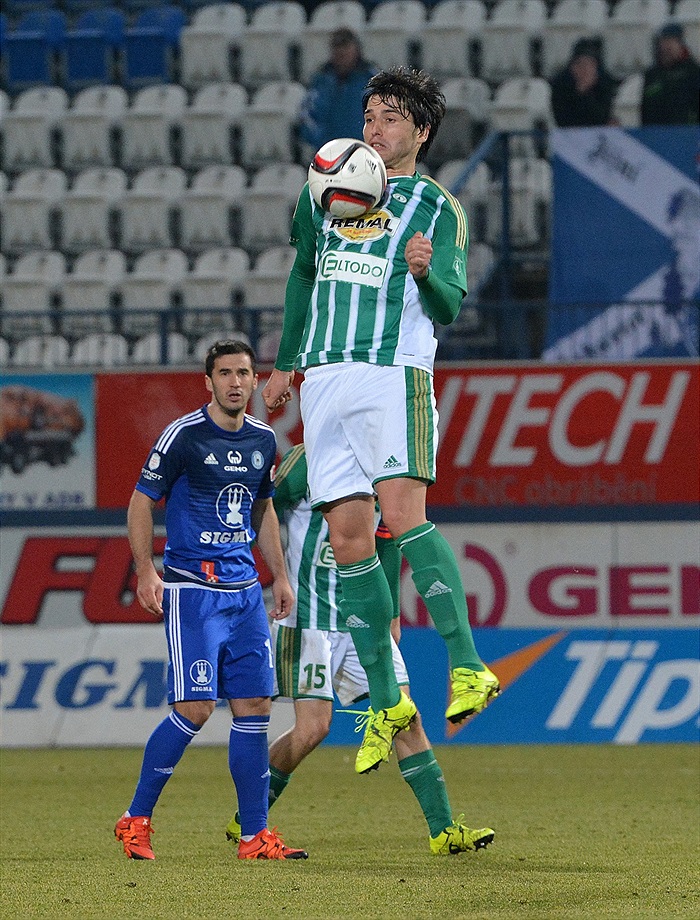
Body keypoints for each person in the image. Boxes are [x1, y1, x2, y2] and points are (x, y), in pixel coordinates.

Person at [262, 67, 500, 776]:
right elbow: (304, 273)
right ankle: (386, 700)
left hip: (393, 373)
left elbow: (453, 306)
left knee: (402, 513)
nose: (376, 126)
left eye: (393, 116)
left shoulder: (437, 209)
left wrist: (428, 273)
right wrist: (285, 364)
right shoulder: (323, 191)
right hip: (326, 381)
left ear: (421, 131)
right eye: (370, 114)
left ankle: (466, 665)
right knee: (348, 536)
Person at [224, 443, 495, 855]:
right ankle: (250, 820)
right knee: (313, 728)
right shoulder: (311, 457)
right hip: (310, 620)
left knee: (406, 716)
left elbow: (385, 540)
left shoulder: (387, 464)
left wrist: (391, 615)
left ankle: (442, 831)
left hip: (364, 622)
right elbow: (263, 507)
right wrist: (276, 574)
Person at [115, 340, 307, 861]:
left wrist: (280, 577)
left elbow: (263, 510)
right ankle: (135, 819)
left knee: (255, 706)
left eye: (244, 372)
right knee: (196, 707)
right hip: (193, 592)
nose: (235, 382)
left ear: (253, 378)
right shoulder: (183, 436)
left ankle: (254, 836)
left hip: (245, 592)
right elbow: (140, 502)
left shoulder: (265, 440)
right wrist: (145, 570)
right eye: (224, 373)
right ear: (209, 381)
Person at [298, 27, 377, 159]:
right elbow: (306, 117)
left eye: (345, 46)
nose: (341, 52)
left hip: (365, 156)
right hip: (329, 157)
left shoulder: (372, 80)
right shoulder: (320, 81)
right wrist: (324, 142)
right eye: (336, 47)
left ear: (356, 49)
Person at [550, 37, 618, 128]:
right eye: (579, 64)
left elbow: (601, 118)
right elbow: (563, 121)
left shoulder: (604, 84)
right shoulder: (561, 85)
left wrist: (586, 94)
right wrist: (580, 91)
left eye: (589, 64)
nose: (584, 69)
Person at [641, 22, 700, 126]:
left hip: (686, 133)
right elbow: (645, 109)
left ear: (680, 45)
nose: (666, 48)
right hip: (656, 133)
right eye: (663, 43)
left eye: (671, 43)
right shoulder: (652, 74)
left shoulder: (693, 72)